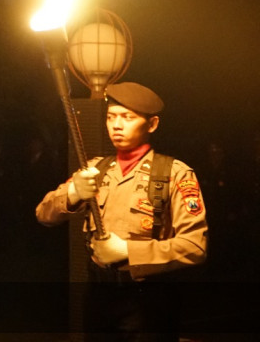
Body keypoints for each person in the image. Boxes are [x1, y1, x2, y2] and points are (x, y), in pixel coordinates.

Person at [35, 82, 207, 341]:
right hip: (99, 295)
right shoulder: (96, 170)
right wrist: (72, 195)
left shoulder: (173, 173)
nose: (117, 125)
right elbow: (43, 215)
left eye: (128, 117)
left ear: (152, 125)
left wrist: (129, 251)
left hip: (147, 300)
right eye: (111, 117)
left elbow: (195, 246)